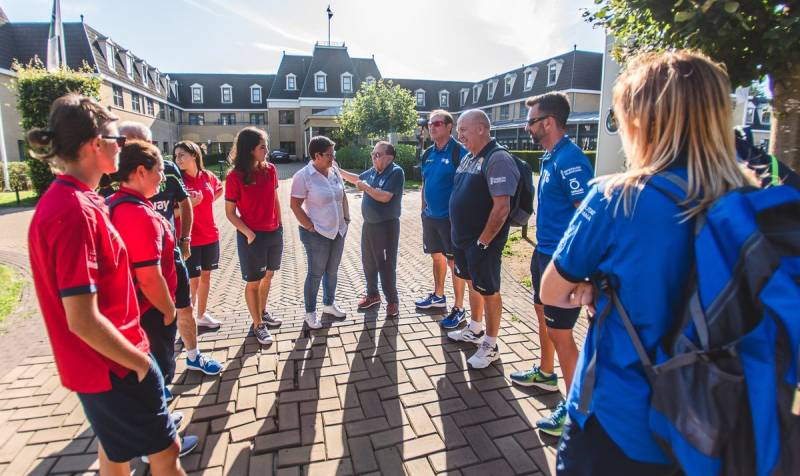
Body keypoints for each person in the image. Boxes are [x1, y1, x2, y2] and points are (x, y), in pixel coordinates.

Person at [542, 51, 757, 474]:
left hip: (622, 422)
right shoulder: (751, 201)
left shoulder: (618, 198)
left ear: (644, 122)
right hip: (716, 421)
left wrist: (591, 288)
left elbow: (552, 291)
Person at [27, 93, 187, 474]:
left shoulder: (80, 200)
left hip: (104, 366)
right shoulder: (73, 211)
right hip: (113, 366)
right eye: (118, 140)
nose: (123, 148)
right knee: (167, 451)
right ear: (94, 145)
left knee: (115, 453)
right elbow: (81, 318)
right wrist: (141, 365)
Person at [107, 141, 201, 462]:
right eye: (160, 169)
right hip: (150, 314)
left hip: (142, 313)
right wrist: (168, 309)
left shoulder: (123, 204)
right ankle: (155, 446)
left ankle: (158, 425)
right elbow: (148, 275)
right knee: (152, 374)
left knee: (153, 378)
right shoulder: (134, 214)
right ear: (140, 171)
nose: (164, 177)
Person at [509, 92, 594, 437]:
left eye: (530, 120)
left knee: (562, 334)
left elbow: (585, 215)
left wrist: (582, 270)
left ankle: (575, 412)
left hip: (564, 262)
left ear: (547, 122)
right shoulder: (551, 157)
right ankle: (546, 374)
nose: (526, 126)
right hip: (543, 254)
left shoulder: (571, 160)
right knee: (543, 318)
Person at [118, 122, 222, 379]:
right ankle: (151, 377)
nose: (149, 150)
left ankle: (193, 356)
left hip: (170, 254)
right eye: (138, 143)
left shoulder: (167, 171)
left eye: (150, 144)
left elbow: (185, 201)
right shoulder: (114, 180)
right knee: (149, 321)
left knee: (184, 307)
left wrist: (184, 239)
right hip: (134, 265)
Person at [447, 110, 520, 369]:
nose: (459, 134)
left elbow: (501, 208)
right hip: (463, 240)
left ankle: (490, 344)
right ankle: (475, 329)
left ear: (481, 128)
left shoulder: (497, 158)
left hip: (482, 243)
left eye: (463, 129)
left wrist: (482, 242)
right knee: (472, 285)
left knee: (489, 291)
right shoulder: (469, 157)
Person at [225, 127, 284, 345]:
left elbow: (275, 198)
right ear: (250, 150)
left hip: (273, 232)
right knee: (253, 282)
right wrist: (248, 233)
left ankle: (262, 311)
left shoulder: (271, 170)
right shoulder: (234, 177)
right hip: (251, 237)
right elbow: (229, 213)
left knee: (268, 276)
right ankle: (257, 324)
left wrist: (279, 225)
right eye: (262, 147)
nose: (267, 150)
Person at [414, 110, 469, 329]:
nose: (432, 127)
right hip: (430, 218)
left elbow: (467, 186)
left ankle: (459, 307)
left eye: (437, 123)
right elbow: (426, 183)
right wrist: (422, 209)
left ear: (449, 126)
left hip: (451, 220)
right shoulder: (427, 153)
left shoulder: (459, 152)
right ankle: (438, 296)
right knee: (436, 257)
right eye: (429, 124)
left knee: (454, 262)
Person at [337, 141, 404, 318]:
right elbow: (357, 179)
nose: (373, 157)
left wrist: (365, 188)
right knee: (368, 263)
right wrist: (340, 171)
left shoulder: (396, 172)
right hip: (369, 226)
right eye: (372, 154)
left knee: (386, 266)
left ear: (389, 157)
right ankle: (373, 295)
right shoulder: (374, 171)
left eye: (377, 155)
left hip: (386, 227)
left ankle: (392, 301)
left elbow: (385, 197)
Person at [290, 136, 350, 329]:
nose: (333, 158)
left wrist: (347, 220)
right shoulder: (303, 176)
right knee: (315, 274)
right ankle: (310, 312)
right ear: (317, 155)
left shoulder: (334, 171)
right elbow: (295, 205)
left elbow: (343, 196)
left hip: (338, 231)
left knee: (332, 271)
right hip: (317, 234)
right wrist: (309, 227)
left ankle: (329, 304)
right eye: (329, 155)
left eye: (333, 154)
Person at [174, 141, 223, 330]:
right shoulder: (177, 180)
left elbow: (218, 190)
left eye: (181, 155)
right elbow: (171, 213)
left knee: (206, 277)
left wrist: (205, 204)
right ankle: (188, 318)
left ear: (194, 155)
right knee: (191, 280)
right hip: (189, 238)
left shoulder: (208, 176)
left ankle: (201, 315)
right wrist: (190, 206)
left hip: (210, 235)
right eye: (176, 155)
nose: (178, 159)